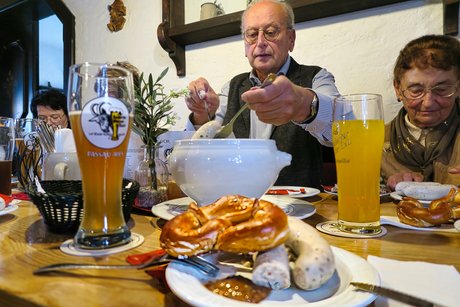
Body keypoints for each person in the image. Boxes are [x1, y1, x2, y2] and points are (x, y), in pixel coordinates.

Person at [184, 0, 340, 188]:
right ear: (244, 44)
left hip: (301, 207)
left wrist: (303, 104)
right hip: (238, 204)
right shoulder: (232, 87)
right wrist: (202, 113)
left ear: (291, 39)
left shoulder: (316, 77)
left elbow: (342, 131)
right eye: (251, 34)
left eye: (270, 32)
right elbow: (202, 146)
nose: (260, 43)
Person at [381, 34, 460, 190]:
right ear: (398, 89)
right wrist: (386, 189)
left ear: (458, 88)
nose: (428, 102)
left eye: (442, 90)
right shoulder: (373, 142)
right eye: (416, 90)